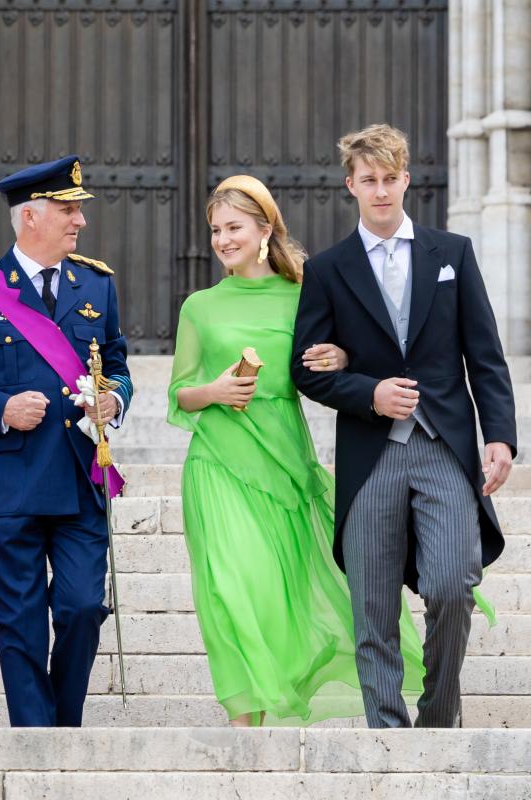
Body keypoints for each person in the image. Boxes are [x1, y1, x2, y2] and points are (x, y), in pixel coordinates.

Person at [168, 174, 428, 726]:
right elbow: (179, 392)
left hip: (284, 466)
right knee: (231, 591)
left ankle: (277, 700)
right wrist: (213, 391)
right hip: (217, 463)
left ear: (265, 230)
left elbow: (340, 364)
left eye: (233, 228)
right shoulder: (199, 306)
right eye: (216, 230)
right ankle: (244, 720)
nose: (221, 240)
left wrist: (337, 356)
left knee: (273, 596)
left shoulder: (306, 295)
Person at [291, 124, 516, 728]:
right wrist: (369, 391)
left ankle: (439, 719)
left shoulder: (453, 253)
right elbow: (304, 370)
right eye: (370, 181)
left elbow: (485, 356)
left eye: (391, 179)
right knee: (372, 605)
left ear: (406, 180)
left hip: (443, 446)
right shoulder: (330, 270)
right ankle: (385, 735)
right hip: (371, 456)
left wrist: (499, 436)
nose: (382, 191)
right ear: (351, 186)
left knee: (449, 585)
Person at [0, 155, 133, 727]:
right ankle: (38, 745)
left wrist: (111, 400)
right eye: (68, 211)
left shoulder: (96, 283)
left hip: (76, 476)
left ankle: (61, 728)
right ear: (29, 219)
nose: (79, 222)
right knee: (19, 622)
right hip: (7, 479)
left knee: (83, 606)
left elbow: (117, 365)